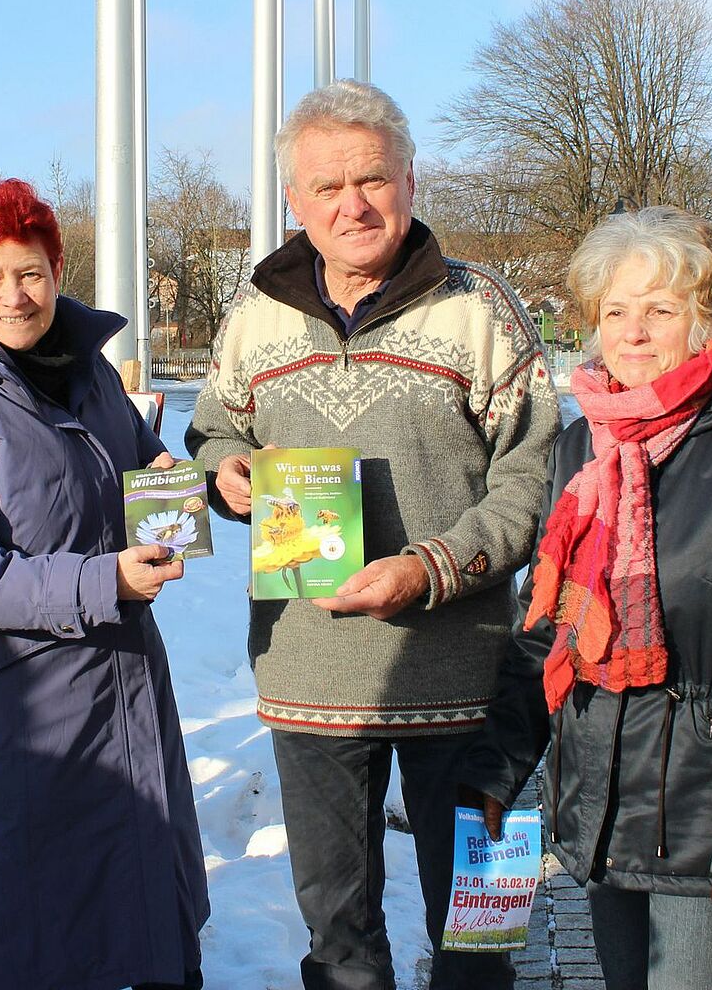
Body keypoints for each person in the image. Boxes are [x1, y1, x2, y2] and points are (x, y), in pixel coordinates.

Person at [187, 79, 561, 990]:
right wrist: (224, 471)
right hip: (309, 673)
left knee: (480, 936)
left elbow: (532, 476)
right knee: (339, 942)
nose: (353, 205)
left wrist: (429, 570)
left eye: (373, 179)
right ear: (294, 202)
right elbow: (213, 428)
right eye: (327, 187)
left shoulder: (484, 308)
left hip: (466, 675)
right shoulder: (255, 311)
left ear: (410, 180)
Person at [459, 206, 712, 990]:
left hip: (708, 817)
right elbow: (551, 624)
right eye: (616, 311)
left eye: (660, 310)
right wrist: (498, 764)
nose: (633, 332)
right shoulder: (584, 447)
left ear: (705, 323)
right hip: (600, 806)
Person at [0, 179, 208, 990]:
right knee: (30, 938)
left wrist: (166, 481)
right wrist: (103, 582)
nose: (12, 297)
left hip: (120, 690)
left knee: (135, 910)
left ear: (58, 268)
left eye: (28, 273)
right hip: (12, 712)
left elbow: (129, 466)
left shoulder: (90, 375)